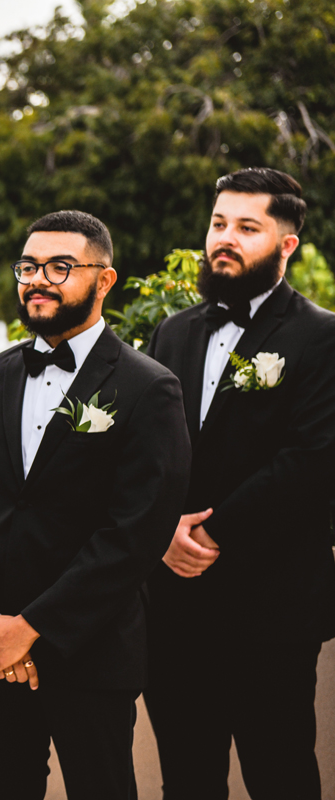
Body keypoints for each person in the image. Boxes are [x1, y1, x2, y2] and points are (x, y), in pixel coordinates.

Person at [0, 210, 191, 799]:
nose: (38, 280)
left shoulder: (149, 388)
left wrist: (34, 628)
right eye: (28, 266)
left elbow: (135, 533)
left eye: (60, 267)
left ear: (105, 281)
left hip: (90, 652)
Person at [144, 168, 335, 800]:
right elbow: (145, 452)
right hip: (174, 611)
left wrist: (207, 534)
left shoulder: (322, 336)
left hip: (271, 610)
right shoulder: (172, 333)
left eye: (247, 228)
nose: (225, 238)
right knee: (187, 780)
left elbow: (310, 462)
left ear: (286, 245)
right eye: (219, 223)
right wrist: (161, 532)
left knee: (280, 774)